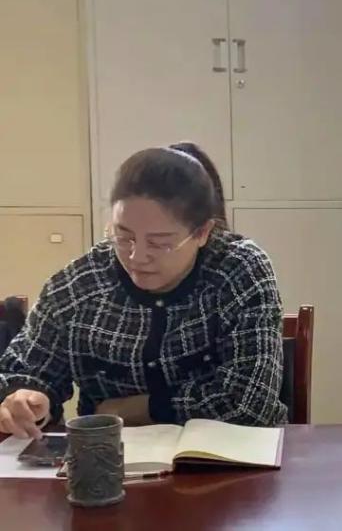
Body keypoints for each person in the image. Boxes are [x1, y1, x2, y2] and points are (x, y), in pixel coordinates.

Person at [0, 143, 287, 438]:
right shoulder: (80, 284)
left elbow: (250, 404)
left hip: (228, 454)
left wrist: (137, 408)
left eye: (159, 243)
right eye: (123, 236)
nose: (137, 257)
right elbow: (22, 372)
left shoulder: (238, 269)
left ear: (202, 233)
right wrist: (27, 398)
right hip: (109, 458)